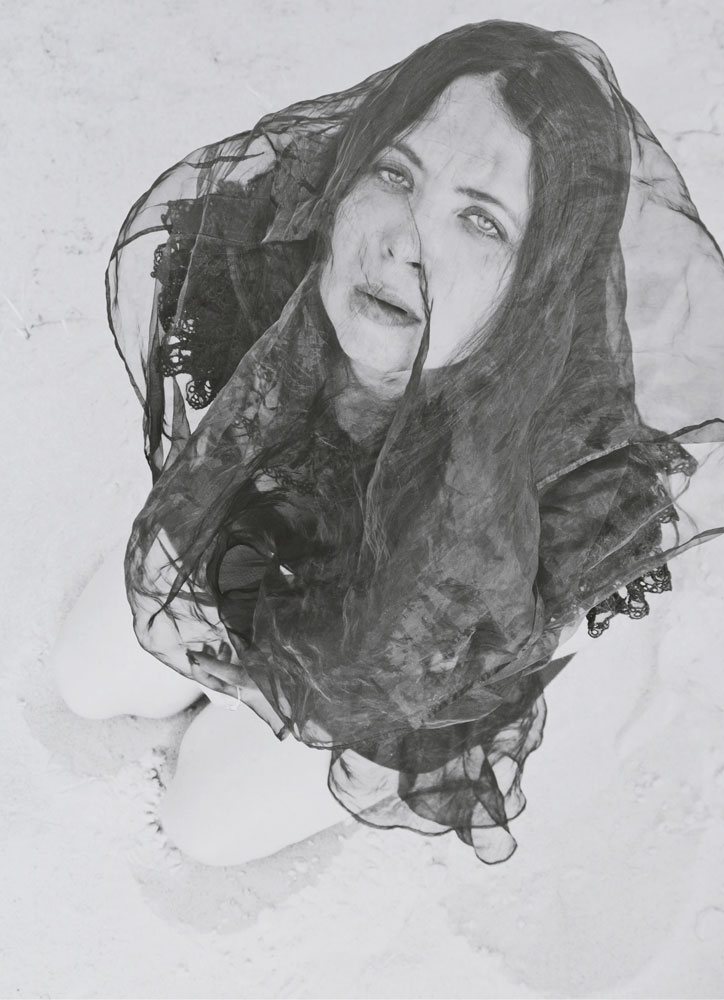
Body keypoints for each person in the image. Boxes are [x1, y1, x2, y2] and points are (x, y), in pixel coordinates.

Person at [53, 20, 724, 866]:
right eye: (396, 173)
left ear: (537, 283)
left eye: (481, 222)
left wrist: (311, 685)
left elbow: (468, 650)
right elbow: (218, 430)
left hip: (392, 664)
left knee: (203, 825)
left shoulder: (566, 485)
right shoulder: (265, 264)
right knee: (85, 682)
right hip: (268, 530)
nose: (404, 241)